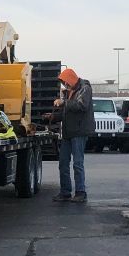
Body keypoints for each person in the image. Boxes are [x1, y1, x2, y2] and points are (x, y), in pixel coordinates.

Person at [49, 66, 93, 202]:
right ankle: (65, 192)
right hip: (68, 132)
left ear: (71, 79)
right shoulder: (69, 91)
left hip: (79, 132)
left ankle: (80, 192)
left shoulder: (85, 88)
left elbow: (82, 106)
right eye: (63, 83)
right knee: (63, 162)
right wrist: (53, 117)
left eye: (65, 82)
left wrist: (64, 102)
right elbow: (68, 112)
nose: (65, 84)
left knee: (77, 163)